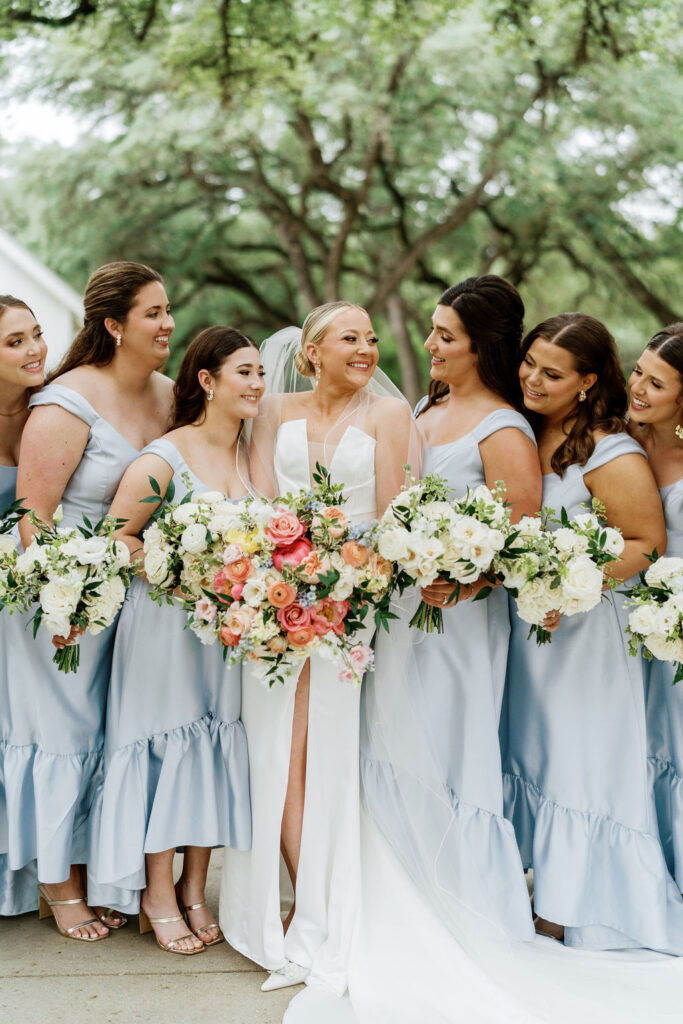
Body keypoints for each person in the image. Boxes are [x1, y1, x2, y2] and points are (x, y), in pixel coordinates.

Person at [219, 301, 419, 995]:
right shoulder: (273, 408)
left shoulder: (391, 417)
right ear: (310, 352)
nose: (365, 349)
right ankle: (305, 899)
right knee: (275, 742)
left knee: (326, 745)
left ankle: (327, 905)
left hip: (352, 601)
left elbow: (399, 515)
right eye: (349, 338)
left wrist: (343, 576)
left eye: (369, 338)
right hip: (274, 594)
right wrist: (279, 569)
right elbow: (258, 499)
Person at [362, 276, 542, 940]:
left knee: (445, 744)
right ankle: (393, 890)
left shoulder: (502, 427)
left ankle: (457, 899)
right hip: (403, 610)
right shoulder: (423, 406)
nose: (430, 344)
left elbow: (520, 537)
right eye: (433, 330)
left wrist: (464, 582)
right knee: (392, 739)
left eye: (445, 336)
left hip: (458, 621)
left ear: (480, 346)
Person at [501, 312, 683, 951]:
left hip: (587, 637)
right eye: (529, 363)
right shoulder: (522, 431)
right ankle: (542, 884)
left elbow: (647, 543)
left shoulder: (609, 447)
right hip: (531, 638)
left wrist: (568, 582)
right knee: (535, 754)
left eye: (552, 373)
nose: (532, 378)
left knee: (580, 762)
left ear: (586, 382)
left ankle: (578, 904)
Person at [5, 262, 174, 941]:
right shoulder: (66, 400)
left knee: (108, 739)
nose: (168, 324)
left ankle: (96, 869)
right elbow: (33, 519)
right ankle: (57, 883)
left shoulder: (168, 396)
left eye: (168, 310)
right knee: (61, 735)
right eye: (154, 313)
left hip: (136, 601)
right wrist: (65, 598)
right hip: (59, 597)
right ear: (114, 325)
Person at [88, 326, 261, 954]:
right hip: (165, 627)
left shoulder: (251, 456)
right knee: (165, 749)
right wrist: (180, 572)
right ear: (207, 382)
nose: (258, 385)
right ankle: (157, 892)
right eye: (244, 372)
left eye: (262, 373)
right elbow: (117, 537)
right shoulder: (165, 457)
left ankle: (194, 887)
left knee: (211, 748)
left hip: (225, 634)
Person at [628, 323, 683, 890]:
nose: (638, 388)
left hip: (679, 618)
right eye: (639, 371)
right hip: (630, 618)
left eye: (657, 383)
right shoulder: (623, 438)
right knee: (643, 736)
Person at [0, 295, 47, 916]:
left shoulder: (52, 408)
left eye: (35, 334)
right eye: (14, 342)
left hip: (32, 594)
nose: (35, 349)